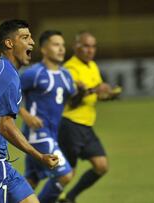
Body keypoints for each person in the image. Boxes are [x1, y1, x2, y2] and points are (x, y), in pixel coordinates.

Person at [0, 19, 59, 203]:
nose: (32, 42)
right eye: (25, 37)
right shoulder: (7, 75)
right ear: (9, 43)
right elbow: (5, 126)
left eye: (30, 37)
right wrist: (39, 156)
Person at [57, 31, 121, 203]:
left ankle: (70, 197)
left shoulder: (92, 65)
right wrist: (94, 90)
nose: (90, 50)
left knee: (101, 166)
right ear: (76, 47)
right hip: (69, 124)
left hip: (85, 126)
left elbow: (96, 94)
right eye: (86, 46)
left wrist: (108, 94)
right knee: (66, 174)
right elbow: (72, 101)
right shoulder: (70, 69)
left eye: (93, 46)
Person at [18, 30, 75, 203]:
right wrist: (25, 114)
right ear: (43, 49)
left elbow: (71, 100)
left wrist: (93, 92)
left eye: (63, 45)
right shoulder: (33, 73)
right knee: (65, 175)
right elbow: (9, 94)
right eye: (56, 44)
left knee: (30, 183)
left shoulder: (66, 76)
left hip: (52, 134)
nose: (61, 49)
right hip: (38, 134)